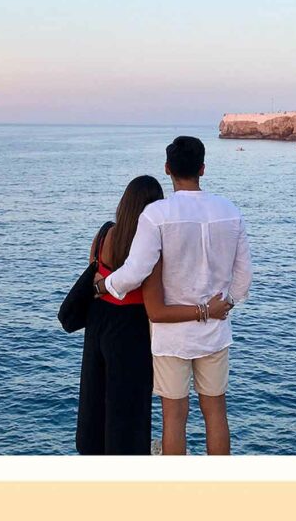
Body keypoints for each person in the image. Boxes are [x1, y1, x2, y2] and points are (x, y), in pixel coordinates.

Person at [93, 136, 252, 455]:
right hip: (214, 335)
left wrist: (104, 285)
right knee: (216, 414)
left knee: (174, 419)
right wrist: (223, 306)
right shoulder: (230, 211)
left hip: (171, 337)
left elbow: (136, 270)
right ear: (203, 169)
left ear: (167, 169)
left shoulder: (156, 215)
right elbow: (244, 277)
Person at [76, 175, 231, 455]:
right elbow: (153, 298)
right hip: (132, 327)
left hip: (99, 323)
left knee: (95, 395)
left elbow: (94, 273)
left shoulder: (103, 235)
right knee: (131, 404)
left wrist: (103, 286)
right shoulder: (150, 241)